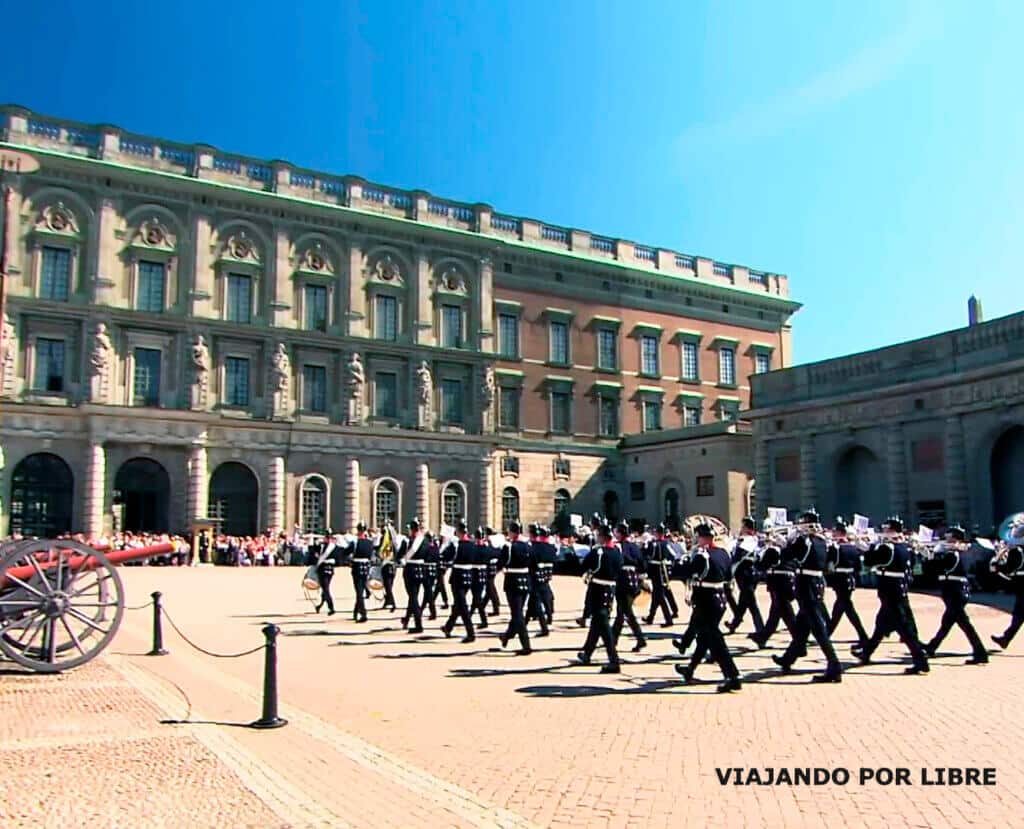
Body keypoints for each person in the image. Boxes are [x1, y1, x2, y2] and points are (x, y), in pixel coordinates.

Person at [771, 511, 842, 683]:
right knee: (802, 627)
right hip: (816, 582)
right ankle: (788, 658)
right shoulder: (822, 541)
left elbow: (788, 556)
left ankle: (834, 665)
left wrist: (785, 543)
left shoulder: (805, 541)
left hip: (807, 583)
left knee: (818, 628)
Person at [853, 517, 929, 674]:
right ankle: (866, 653)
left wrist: (869, 547)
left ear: (893, 531)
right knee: (881, 626)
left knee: (903, 627)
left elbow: (869, 561)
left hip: (890, 589)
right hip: (897, 588)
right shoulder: (905, 546)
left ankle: (920, 660)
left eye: (887, 529)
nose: (884, 532)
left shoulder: (888, 548)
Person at [673, 523, 742, 693]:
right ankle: (690, 669)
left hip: (706, 601)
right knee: (704, 637)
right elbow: (728, 576)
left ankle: (732, 676)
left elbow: (683, 572)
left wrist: (682, 559)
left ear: (702, 538)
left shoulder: (702, 556)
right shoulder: (723, 553)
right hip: (719, 599)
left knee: (715, 641)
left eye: (698, 537)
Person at [924, 526, 987, 664]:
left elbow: (937, 568)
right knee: (947, 623)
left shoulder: (954, 554)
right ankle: (932, 646)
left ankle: (980, 652)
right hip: (956, 590)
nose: (946, 542)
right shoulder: (964, 553)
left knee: (964, 624)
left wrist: (930, 556)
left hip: (954, 591)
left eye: (950, 540)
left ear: (958, 541)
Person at [576, 524, 623, 673]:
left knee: (604, 626)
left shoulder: (598, 552)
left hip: (598, 589)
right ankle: (587, 653)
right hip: (610, 589)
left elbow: (584, 566)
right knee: (597, 623)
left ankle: (614, 660)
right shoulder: (617, 551)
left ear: (602, 537)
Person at [827, 519, 869, 650]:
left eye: (835, 532)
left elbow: (829, 565)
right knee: (839, 609)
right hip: (850, 579)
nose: (833, 534)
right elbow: (858, 567)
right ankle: (826, 633)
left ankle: (863, 636)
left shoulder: (836, 548)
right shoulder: (854, 548)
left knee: (848, 610)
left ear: (840, 533)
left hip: (840, 580)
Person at [498, 521, 533, 655]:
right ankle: (507, 635)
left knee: (517, 614)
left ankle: (526, 645)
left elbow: (501, 563)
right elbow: (533, 563)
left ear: (512, 532)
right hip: (525, 580)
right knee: (517, 612)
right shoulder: (528, 546)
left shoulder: (509, 547)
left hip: (512, 582)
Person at [726, 517, 765, 637]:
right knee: (743, 601)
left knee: (751, 603)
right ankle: (735, 623)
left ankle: (761, 629)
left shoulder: (748, 540)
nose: (741, 528)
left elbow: (738, 556)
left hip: (746, 574)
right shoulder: (751, 539)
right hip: (747, 574)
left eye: (743, 526)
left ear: (748, 528)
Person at [612, 522, 646, 652]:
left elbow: (617, 562)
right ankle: (613, 639)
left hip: (623, 581)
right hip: (634, 581)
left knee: (626, 612)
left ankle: (640, 638)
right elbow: (642, 563)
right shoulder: (634, 546)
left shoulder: (619, 547)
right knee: (621, 612)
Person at [441, 521, 476, 643]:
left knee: (462, 605)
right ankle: (448, 626)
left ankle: (470, 633)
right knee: (458, 604)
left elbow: (444, 555)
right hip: (469, 575)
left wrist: (445, 544)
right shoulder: (473, 544)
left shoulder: (456, 545)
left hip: (458, 576)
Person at [991, 527, 1024, 649]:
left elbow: (1009, 567)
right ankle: (1005, 639)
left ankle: (1005, 639)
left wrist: (997, 566)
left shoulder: (1017, 551)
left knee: (1019, 614)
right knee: (1019, 615)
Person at [643, 524, 676, 627]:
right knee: (656, 595)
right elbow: (673, 555)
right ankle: (650, 617)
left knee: (660, 596)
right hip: (664, 569)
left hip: (655, 570)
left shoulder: (654, 544)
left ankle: (668, 619)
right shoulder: (666, 543)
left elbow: (648, 555)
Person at [398, 519, 427, 634]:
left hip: (411, 570)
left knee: (413, 598)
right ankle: (406, 619)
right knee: (413, 597)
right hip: (421, 569)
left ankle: (418, 624)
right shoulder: (424, 540)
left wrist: (402, 559)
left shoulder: (411, 541)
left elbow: (404, 553)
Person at [524, 524, 550, 637]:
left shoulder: (530, 547)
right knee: (532, 603)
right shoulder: (545, 546)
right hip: (543, 575)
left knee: (536, 603)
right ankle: (523, 624)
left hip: (533, 576)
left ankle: (544, 628)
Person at [347, 523, 374, 623]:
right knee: (361, 590)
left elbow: (346, 552)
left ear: (358, 530)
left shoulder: (355, 542)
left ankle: (363, 613)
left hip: (357, 567)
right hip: (366, 567)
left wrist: (349, 560)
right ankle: (355, 611)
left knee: (359, 591)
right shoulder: (370, 542)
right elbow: (371, 555)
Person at [470, 527, 491, 629]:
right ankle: (469, 615)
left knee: (477, 598)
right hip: (482, 574)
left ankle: (484, 620)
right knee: (476, 597)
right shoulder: (487, 548)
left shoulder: (474, 548)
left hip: (475, 574)